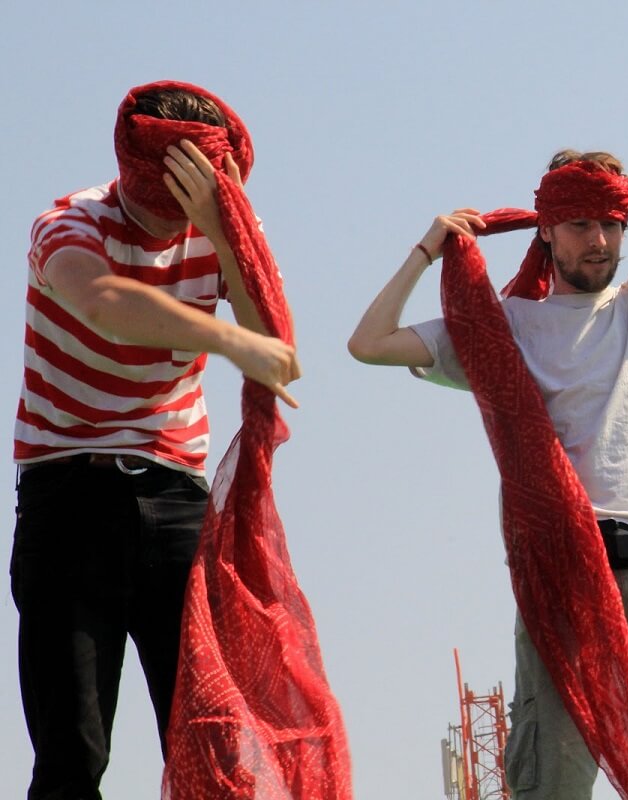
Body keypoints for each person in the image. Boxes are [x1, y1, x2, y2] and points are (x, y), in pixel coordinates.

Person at [349, 150, 628, 799]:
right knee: (550, 782)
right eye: (580, 223)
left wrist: (596, 194)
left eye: (612, 223)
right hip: (560, 578)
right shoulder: (499, 328)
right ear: (548, 230)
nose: (600, 240)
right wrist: (429, 248)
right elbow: (369, 342)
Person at [11, 83, 301, 799]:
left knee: (212, 743)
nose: (169, 220)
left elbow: (272, 327)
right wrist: (226, 339)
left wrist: (223, 225)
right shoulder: (69, 224)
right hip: (69, 499)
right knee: (72, 753)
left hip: (176, 505)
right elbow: (107, 305)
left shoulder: (223, 227)